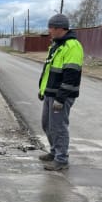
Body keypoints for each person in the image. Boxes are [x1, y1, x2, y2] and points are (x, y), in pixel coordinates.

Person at [38, 14, 84, 171]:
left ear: (59, 28)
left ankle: (61, 159)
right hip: (50, 93)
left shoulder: (72, 46)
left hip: (61, 96)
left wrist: (61, 98)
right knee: (47, 125)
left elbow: (71, 75)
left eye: (51, 28)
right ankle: (54, 151)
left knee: (58, 127)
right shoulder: (57, 45)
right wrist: (42, 90)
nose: (49, 31)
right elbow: (49, 71)